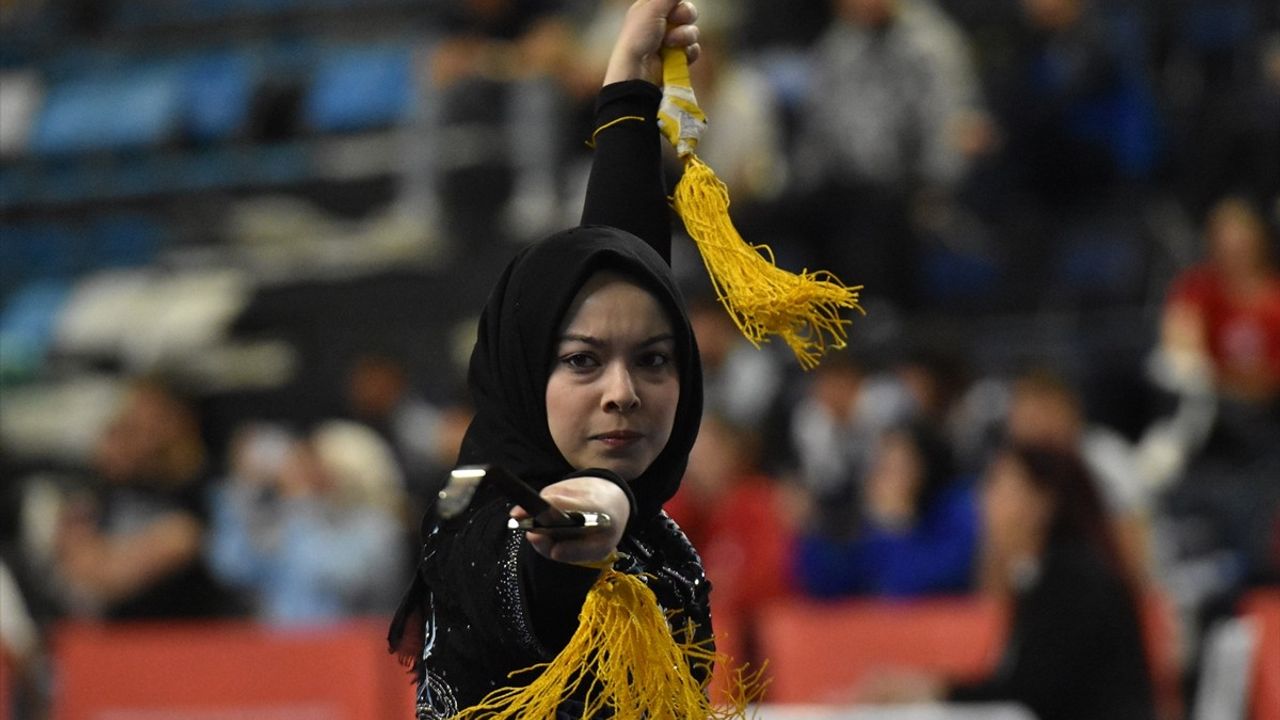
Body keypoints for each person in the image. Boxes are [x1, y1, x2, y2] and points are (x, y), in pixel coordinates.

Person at [387, 1, 718, 717]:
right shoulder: (480, 519)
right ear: (524, 371)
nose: (623, 392)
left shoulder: (653, 531)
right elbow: (532, 564)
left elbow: (626, 273)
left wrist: (628, 86)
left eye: (655, 361)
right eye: (581, 363)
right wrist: (580, 529)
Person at [865, 443, 1157, 720]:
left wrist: (932, 690)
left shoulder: (1074, 581)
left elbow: (1030, 694)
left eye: (999, 486)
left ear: (1041, 503)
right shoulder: (1041, 575)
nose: (984, 501)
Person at [793, 422, 978, 598]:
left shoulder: (954, 511)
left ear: (925, 468)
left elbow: (906, 587)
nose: (886, 476)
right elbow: (823, 585)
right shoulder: (859, 522)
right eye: (882, 465)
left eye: (900, 465)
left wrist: (894, 525)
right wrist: (811, 530)